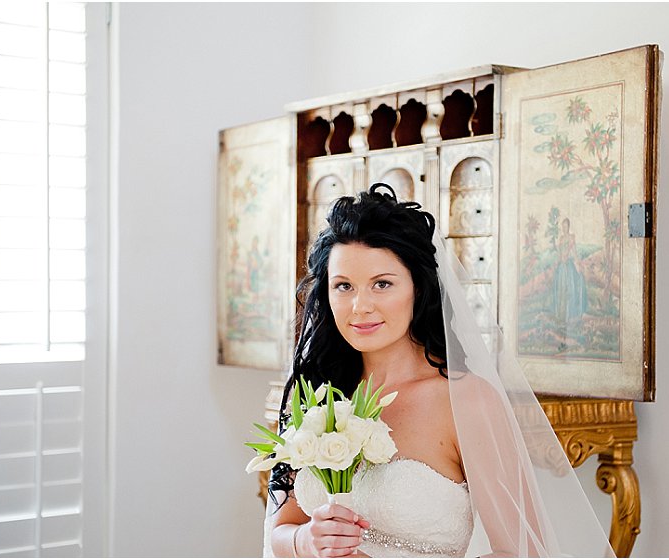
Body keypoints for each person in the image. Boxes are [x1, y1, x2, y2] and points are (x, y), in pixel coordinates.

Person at [263, 184, 613, 558]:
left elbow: (523, 552)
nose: (360, 306)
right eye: (344, 286)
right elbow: (280, 530)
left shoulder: (467, 401)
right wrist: (307, 540)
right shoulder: (318, 391)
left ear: (419, 287)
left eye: (382, 284)